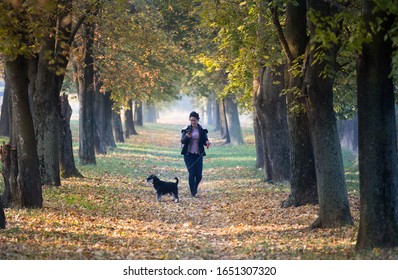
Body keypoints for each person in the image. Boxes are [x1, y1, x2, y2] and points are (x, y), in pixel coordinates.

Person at [181, 111, 210, 197]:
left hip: (198, 154)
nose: (193, 122)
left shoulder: (201, 130)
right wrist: (187, 137)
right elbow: (182, 141)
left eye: (194, 120)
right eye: (191, 120)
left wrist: (207, 142)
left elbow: (205, 140)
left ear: (198, 120)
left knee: (199, 175)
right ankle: (192, 192)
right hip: (188, 154)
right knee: (192, 173)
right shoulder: (186, 129)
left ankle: (195, 187)